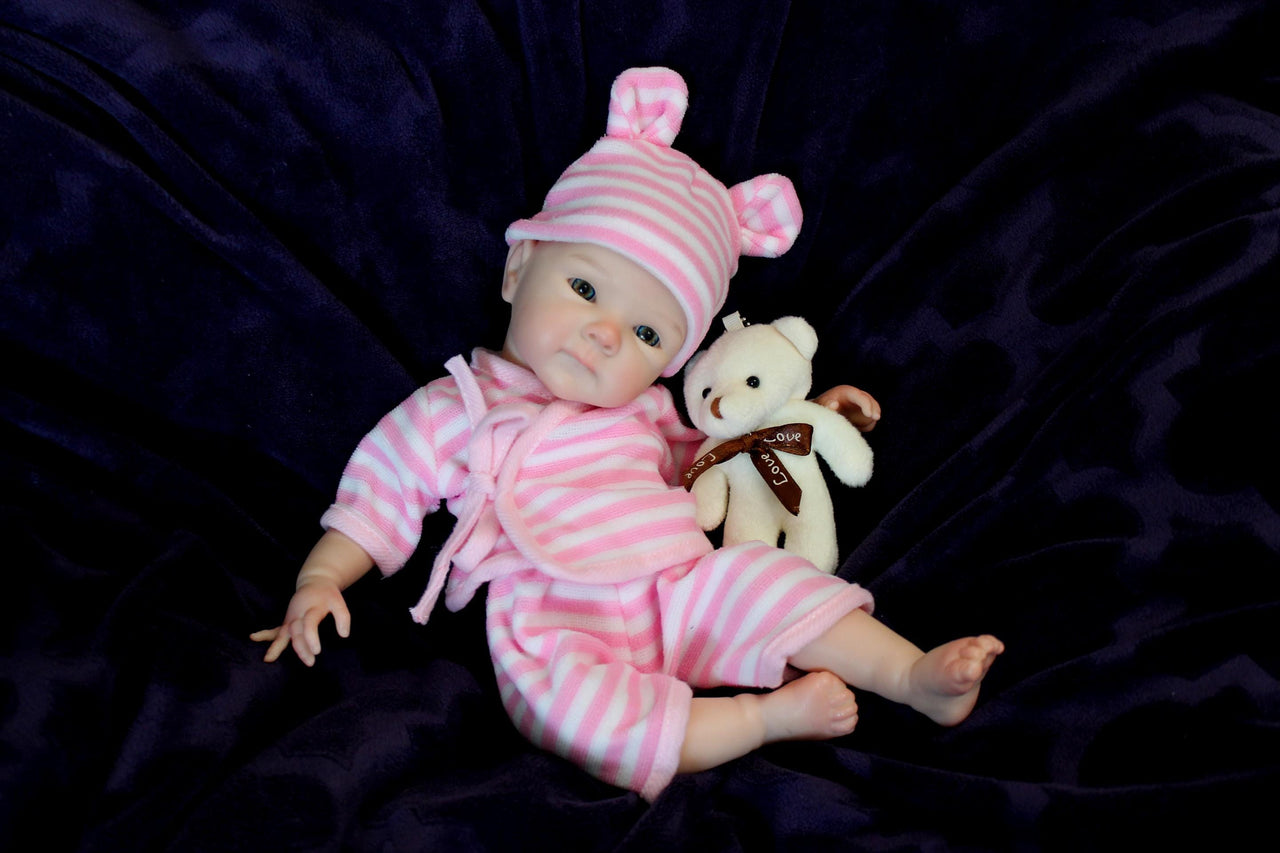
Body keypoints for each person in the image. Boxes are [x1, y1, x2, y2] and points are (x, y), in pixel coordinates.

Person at [252, 67, 1002, 800]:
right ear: (519, 269)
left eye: (646, 332)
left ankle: (911, 675)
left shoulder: (646, 415)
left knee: (769, 584)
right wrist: (322, 578)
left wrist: (815, 417)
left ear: (666, 365)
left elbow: (720, 454)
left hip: (678, 583)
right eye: (584, 289)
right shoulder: (464, 405)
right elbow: (384, 489)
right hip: (553, 615)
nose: (605, 335)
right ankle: (756, 719)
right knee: (561, 709)